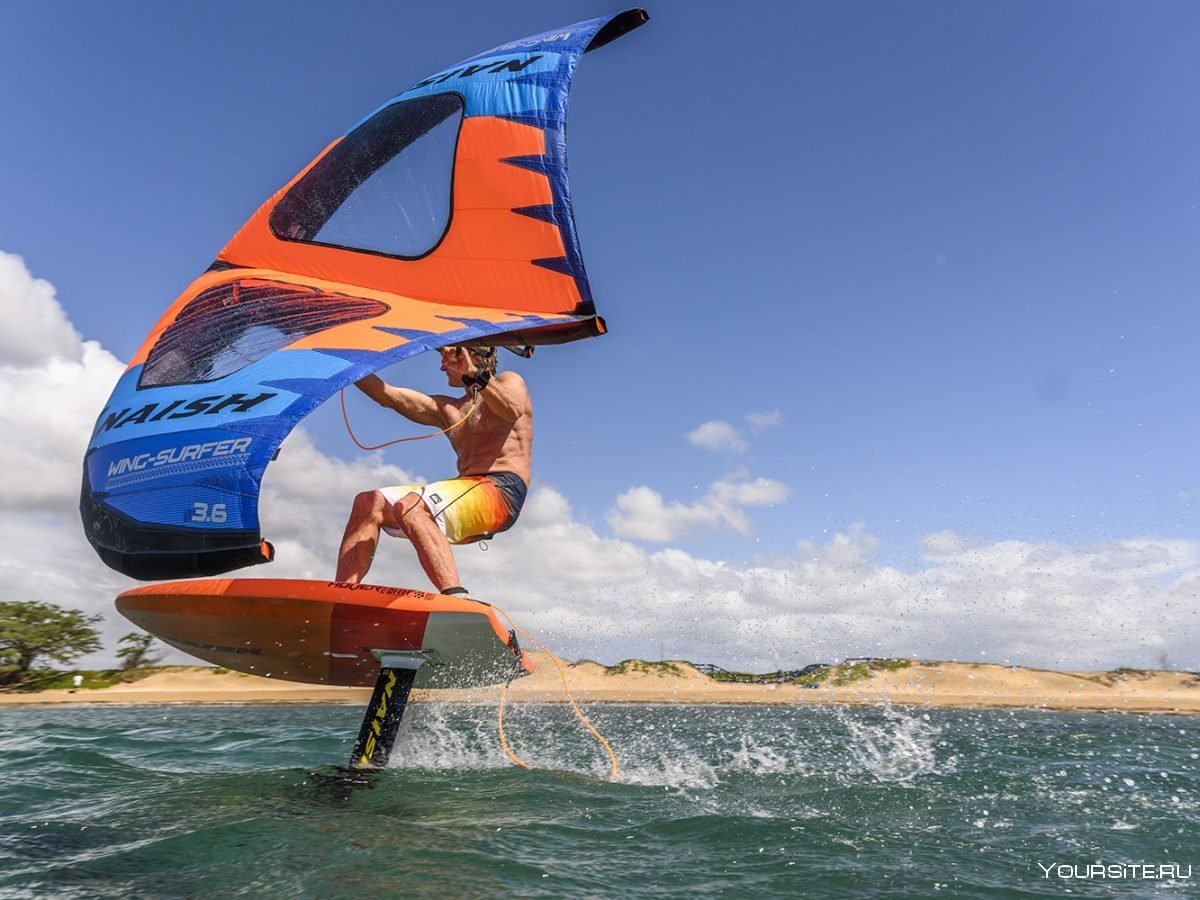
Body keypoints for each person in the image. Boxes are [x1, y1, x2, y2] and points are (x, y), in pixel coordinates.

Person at [335, 344, 531, 596]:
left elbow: (512, 409)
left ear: (470, 353)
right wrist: (346, 363)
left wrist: (475, 375)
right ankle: (342, 595)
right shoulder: (447, 410)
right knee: (368, 502)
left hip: (502, 491)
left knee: (412, 506)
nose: (441, 366)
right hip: (466, 493)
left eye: (446, 357)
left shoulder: (509, 381)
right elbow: (388, 396)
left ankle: (456, 597)